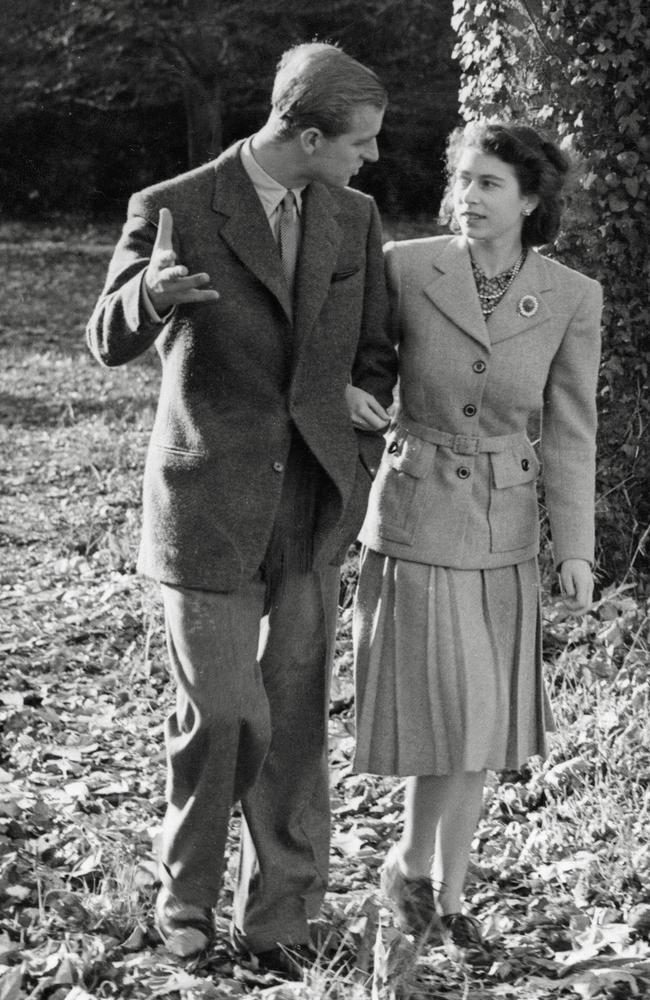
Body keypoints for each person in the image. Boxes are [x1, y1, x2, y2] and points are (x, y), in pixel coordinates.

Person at [86, 42, 396, 974]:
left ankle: (282, 915)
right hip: (206, 503)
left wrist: (357, 409)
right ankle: (184, 896)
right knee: (226, 712)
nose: (372, 158)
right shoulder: (174, 206)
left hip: (309, 504)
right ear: (306, 135)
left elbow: (372, 347)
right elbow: (105, 337)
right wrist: (149, 294)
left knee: (296, 719)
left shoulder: (355, 216)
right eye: (361, 142)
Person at [352, 120, 602, 963]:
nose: (468, 196)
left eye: (490, 182)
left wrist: (574, 546)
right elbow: (363, 368)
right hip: (419, 511)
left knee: (483, 725)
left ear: (532, 200)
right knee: (450, 716)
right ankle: (409, 870)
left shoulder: (571, 296)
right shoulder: (408, 266)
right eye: (462, 179)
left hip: (504, 525)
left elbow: (571, 431)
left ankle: (444, 895)